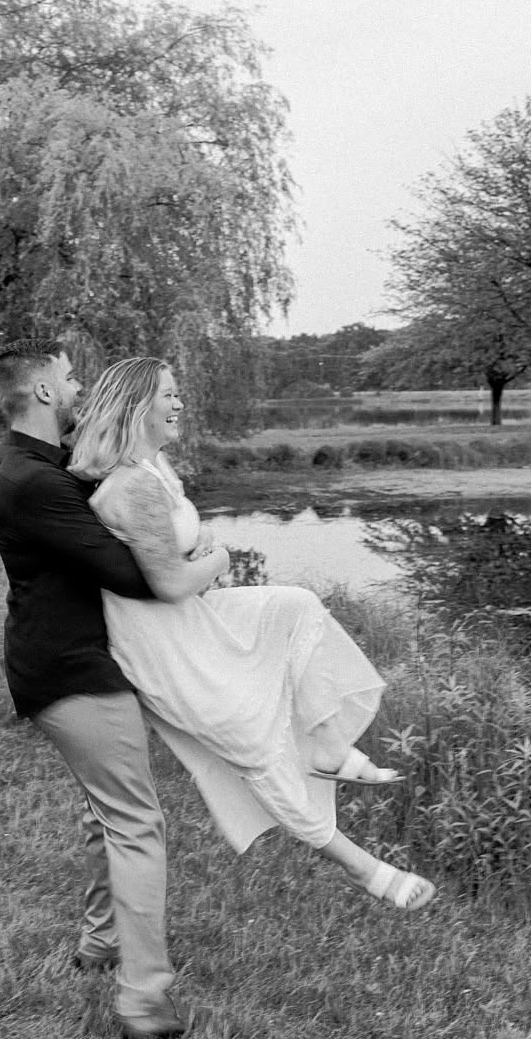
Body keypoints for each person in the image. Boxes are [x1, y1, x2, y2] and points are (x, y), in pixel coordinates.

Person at [67, 356, 436, 912]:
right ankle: (367, 870)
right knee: (254, 744)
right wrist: (219, 559)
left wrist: (202, 543)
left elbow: (172, 547)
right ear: (139, 405)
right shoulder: (131, 487)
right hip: (165, 641)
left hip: (193, 620)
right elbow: (169, 583)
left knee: (296, 607)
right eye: (168, 395)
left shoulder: (154, 471)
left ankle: (330, 748)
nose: (179, 403)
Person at [0, 339, 190, 1039]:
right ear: (43, 392)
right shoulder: (36, 482)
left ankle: (102, 943)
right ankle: (144, 1000)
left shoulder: (43, 469)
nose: (80, 389)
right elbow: (137, 576)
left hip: (65, 661)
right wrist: (206, 556)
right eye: (72, 378)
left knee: (106, 815)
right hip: (71, 669)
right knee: (137, 824)